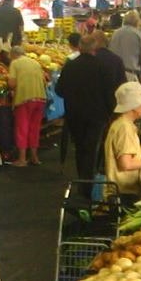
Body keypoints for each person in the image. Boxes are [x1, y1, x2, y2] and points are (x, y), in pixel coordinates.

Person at [57, 34, 114, 190]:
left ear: (80, 47)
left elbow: (59, 90)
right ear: (95, 48)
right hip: (97, 114)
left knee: (80, 146)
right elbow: (109, 92)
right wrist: (111, 111)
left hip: (75, 113)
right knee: (91, 146)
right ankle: (87, 181)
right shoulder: (102, 67)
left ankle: (82, 177)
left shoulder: (70, 66)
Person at [7, 46, 47, 167]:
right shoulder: (35, 62)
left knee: (22, 129)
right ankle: (34, 157)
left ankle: (22, 159)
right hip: (40, 98)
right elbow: (45, 80)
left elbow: (12, 83)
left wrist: (8, 81)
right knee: (34, 128)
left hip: (25, 98)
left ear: (13, 55)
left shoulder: (15, 63)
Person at [109, 10, 141, 84]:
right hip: (130, 75)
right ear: (137, 22)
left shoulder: (115, 33)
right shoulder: (139, 35)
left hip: (114, 74)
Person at [91, 30, 127, 115]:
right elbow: (122, 84)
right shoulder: (117, 59)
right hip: (112, 104)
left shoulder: (90, 59)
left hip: (93, 105)